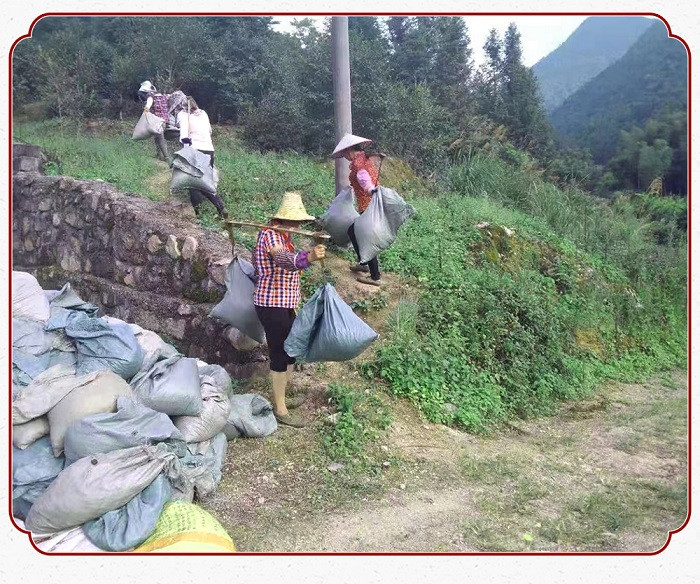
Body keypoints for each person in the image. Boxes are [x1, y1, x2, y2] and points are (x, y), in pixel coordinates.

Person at [253, 192, 326, 428]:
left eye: (299, 222)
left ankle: (284, 396)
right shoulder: (271, 235)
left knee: (291, 350)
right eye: (294, 221)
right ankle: (280, 409)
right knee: (279, 353)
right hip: (270, 304)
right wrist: (309, 257)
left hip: (285, 304)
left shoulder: (285, 236)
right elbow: (284, 260)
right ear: (282, 218)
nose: (297, 225)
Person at [331, 133, 382, 287]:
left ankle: (375, 276)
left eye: (346, 153)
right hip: (371, 204)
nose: (345, 156)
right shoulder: (364, 160)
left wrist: (370, 190)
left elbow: (365, 182)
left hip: (368, 205)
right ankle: (363, 263)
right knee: (353, 232)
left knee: (366, 238)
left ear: (351, 150)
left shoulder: (359, 166)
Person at [177, 96, 228, 219]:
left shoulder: (183, 115)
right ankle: (221, 208)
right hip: (209, 149)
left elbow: (184, 135)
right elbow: (209, 131)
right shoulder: (203, 113)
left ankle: (200, 216)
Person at [137, 80, 170, 161]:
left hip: (157, 122)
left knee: (160, 139)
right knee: (157, 138)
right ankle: (159, 154)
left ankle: (167, 158)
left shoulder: (150, 97)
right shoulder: (163, 96)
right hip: (164, 121)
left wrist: (146, 109)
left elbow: (148, 104)